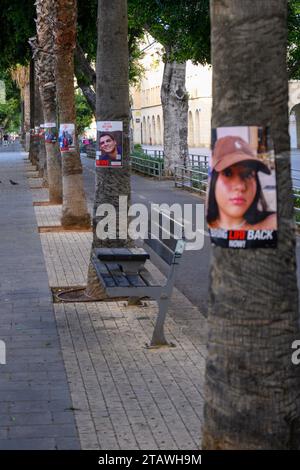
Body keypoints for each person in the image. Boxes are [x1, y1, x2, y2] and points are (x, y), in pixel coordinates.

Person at [206, 135, 277, 231]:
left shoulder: (271, 224)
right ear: (214, 180)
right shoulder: (208, 229)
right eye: (228, 173)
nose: (240, 186)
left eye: (248, 175)